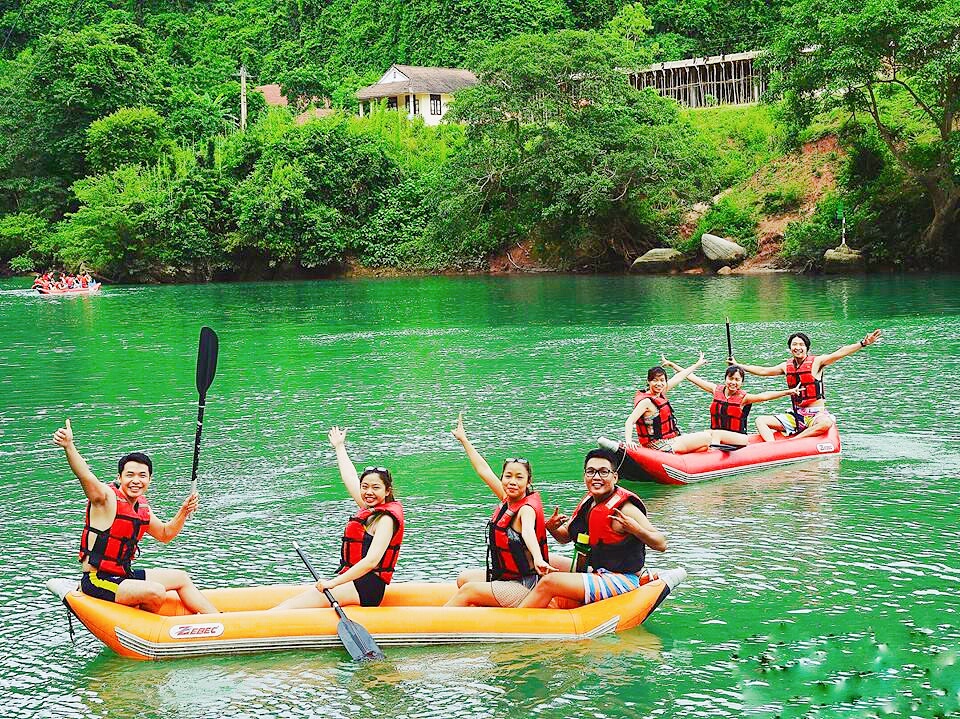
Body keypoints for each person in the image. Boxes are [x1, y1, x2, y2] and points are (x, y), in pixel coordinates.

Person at [53, 419, 218, 614]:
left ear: (150, 479)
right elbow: (85, 475)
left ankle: (218, 619)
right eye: (130, 475)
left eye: (142, 476)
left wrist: (183, 511)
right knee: (156, 591)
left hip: (123, 576)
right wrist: (69, 446)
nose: (136, 480)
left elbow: (165, 534)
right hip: (97, 580)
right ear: (119, 477)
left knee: (181, 578)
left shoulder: (141, 507)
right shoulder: (105, 499)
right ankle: (147, 623)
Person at [518, 448, 680, 609]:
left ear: (615, 477)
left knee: (549, 582)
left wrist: (636, 529)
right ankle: (525, 597)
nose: (596, 477)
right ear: (585, 476)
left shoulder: (625, 509)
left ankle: (517, 617)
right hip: (595, 570)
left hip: (623, 579)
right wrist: (552, 528)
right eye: (591, 472)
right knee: (540, 558)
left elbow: (661, 544)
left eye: (603, 472)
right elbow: (565, 537)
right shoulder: (589, 502)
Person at [273, 427, 404, 610]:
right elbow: (349, 477)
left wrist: (332, 583)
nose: (369, 492)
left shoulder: (385, 520)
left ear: (387, 491)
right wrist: (339, 446)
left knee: (288, 608)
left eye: (375, 488)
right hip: (354, 582)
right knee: (291, 604)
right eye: (364, 486)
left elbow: (371, 561)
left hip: (367, 588)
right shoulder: (369, 508)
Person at [444, 415, 559, 608]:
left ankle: (437, 622)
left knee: (468, 590)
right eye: (508, 476)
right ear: (503, 478)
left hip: (525, 585)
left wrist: (538, 558)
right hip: (505, 577)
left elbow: (528, 532)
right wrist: (464, 440)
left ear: (528, 482)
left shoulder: (526, 510)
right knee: (464, 578)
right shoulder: (507, 499)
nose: (512, 481)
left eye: (519, 477)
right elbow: (484, 470)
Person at [733, 329, 882, 441]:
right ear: (790, 348)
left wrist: (862, 343)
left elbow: (839, 353)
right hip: (796, 416)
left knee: (826, 423)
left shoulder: (817, 362)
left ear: (807, 348)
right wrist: (739, 365)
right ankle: (773, 448)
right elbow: (763, 371)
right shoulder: (786, 366)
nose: (797, 347)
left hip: (815, 415)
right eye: (794, 344)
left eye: (801, 344)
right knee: (760, 420)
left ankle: (795, 441)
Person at [625, 352, 749, 453]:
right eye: (655, 380)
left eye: (662, 380)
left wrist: (696, 364)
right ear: (648, 381)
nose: (659, 384)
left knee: (703, 447)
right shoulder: (646, 401)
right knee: (706, 437)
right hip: (659, 445)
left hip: (669, 440)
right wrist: (629, 441)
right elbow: (629, 421)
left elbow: (680, 376)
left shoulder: (661, 392)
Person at [661, 361, 802, 434]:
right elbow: (693, 378)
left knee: (709, 435)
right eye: (730, 378)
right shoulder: (716, 390)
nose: (733, 382)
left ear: (741, 382)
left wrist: (788, 392)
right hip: (717, 436)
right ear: (725, 379)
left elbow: (764, 396)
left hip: (735, 438)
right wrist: (674, 365)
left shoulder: (744, 398)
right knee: (707, 435)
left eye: (737, 380)